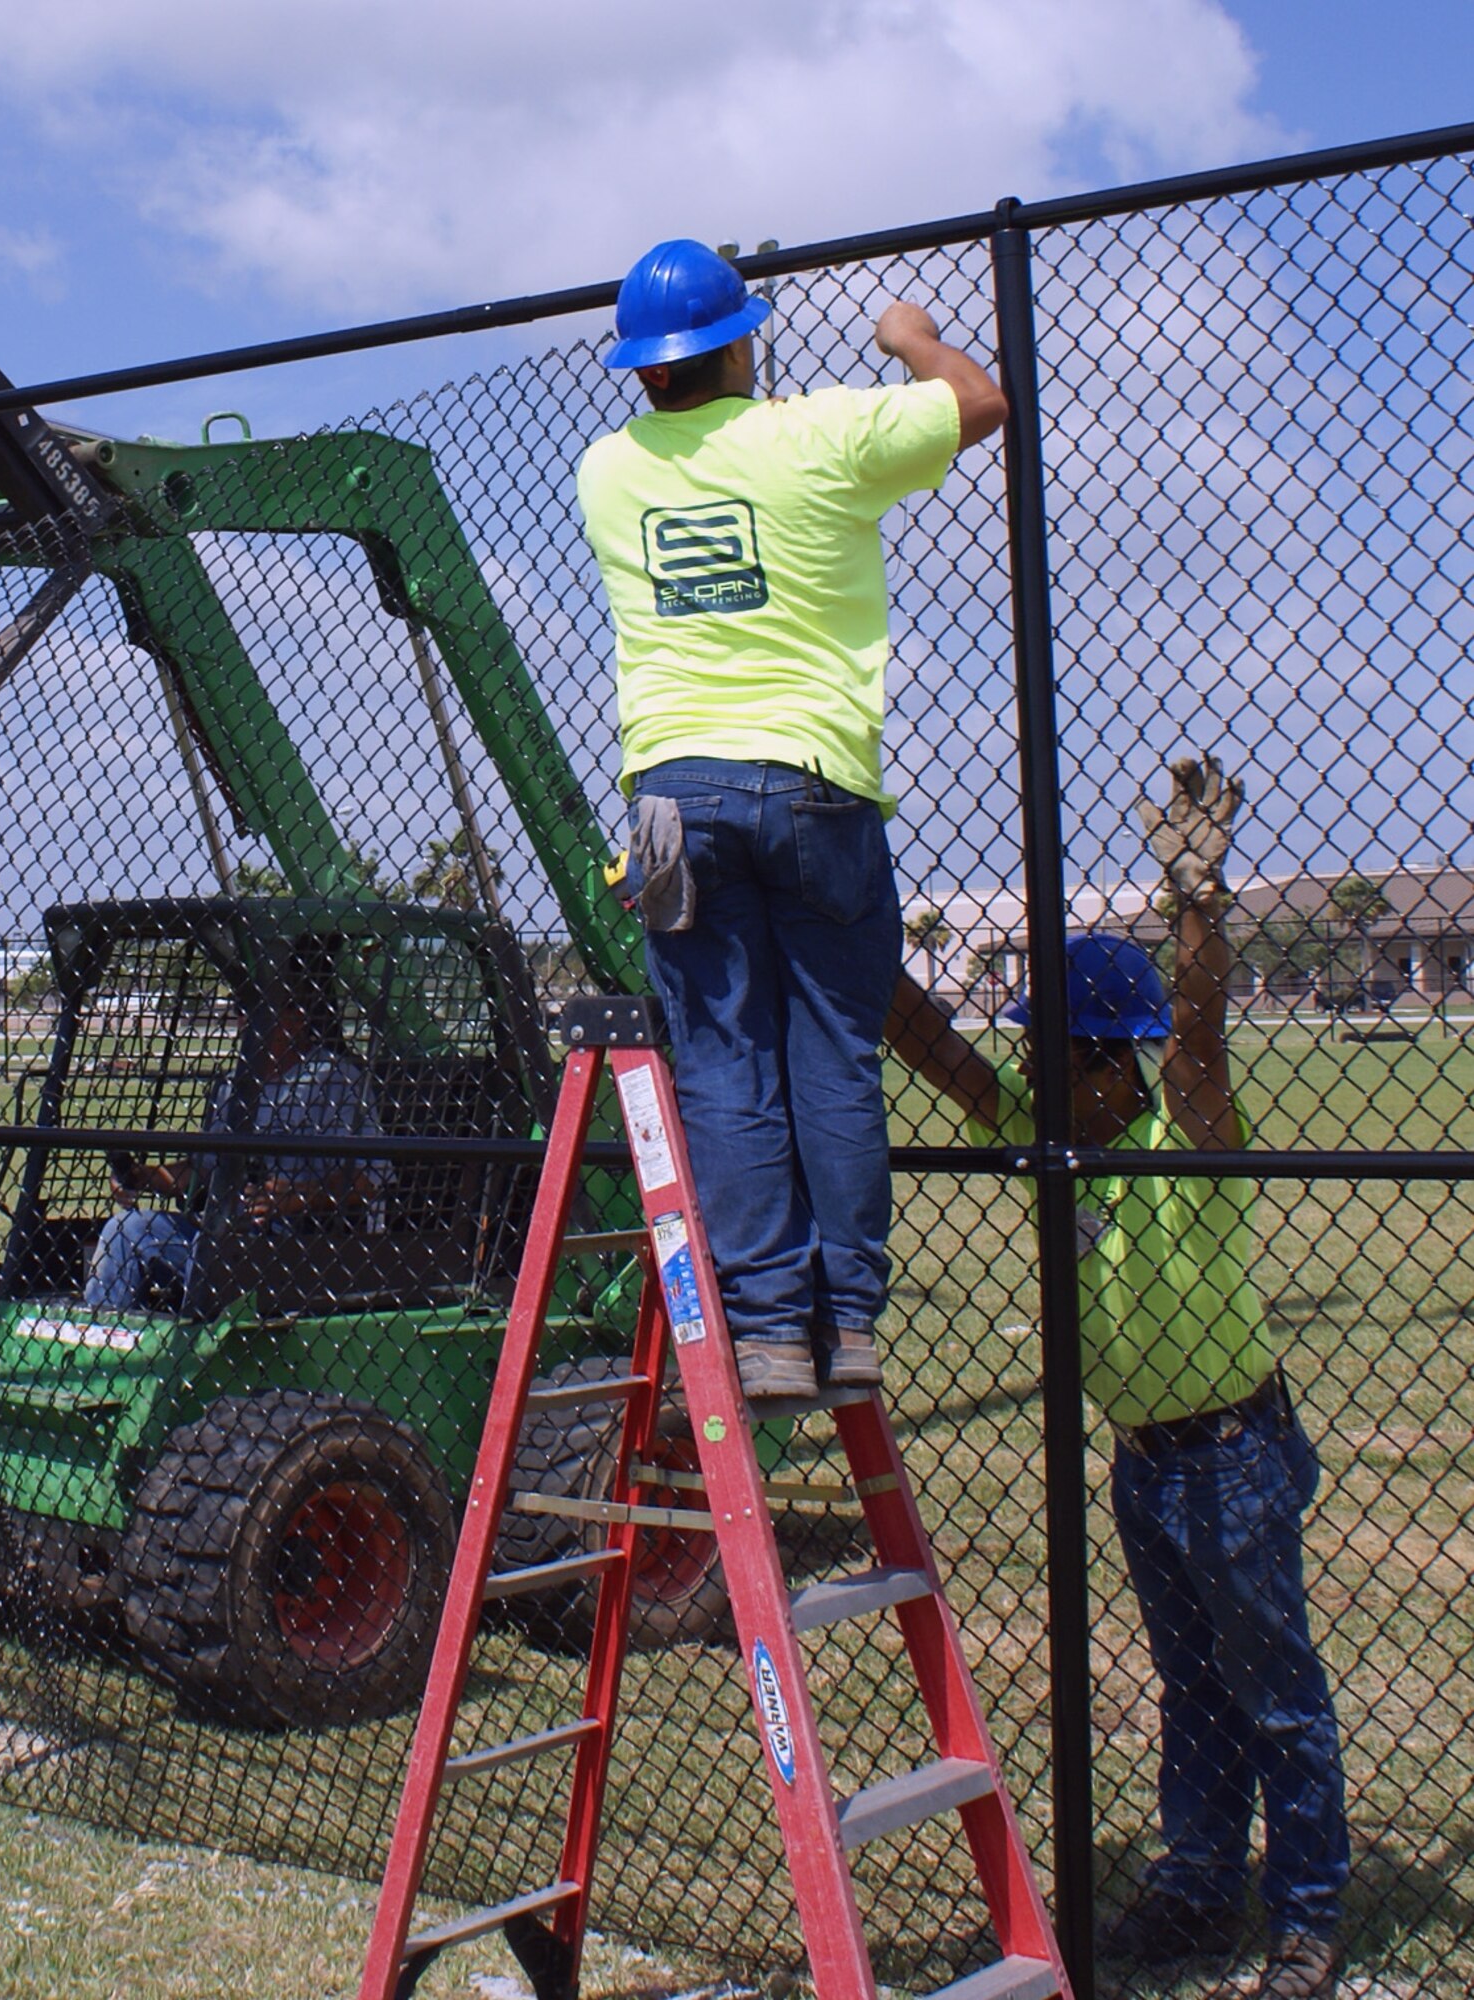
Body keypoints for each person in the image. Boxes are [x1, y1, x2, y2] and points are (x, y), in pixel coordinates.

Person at [883, 756, 1348, 2000]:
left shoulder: (1171, 1142)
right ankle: (1197, 1887)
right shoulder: (1054, 1141)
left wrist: (1192, 897)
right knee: (1192, 1692)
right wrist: (840, 918)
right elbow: (934, 1050)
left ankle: (1305, 1914)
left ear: (1110, 1065)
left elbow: (1196, 1037)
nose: (1033, 1083)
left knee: (1276, 1695)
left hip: (1232, 1454)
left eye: (1058, 1062)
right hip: (1145, 1462)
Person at [574, 237, 1008, 1406]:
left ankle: (764, 1328)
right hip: (813, 777)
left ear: (642, 369)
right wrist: (909, 334)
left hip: (668, 794)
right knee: (832, 1051)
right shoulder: (816, 437)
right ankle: (848, 1320)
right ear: (739, 343)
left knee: (720, 1057)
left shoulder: (604, 472)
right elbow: (976, 402)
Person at [84, 976, 388, 1312]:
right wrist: (144, 1176)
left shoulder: (337, 1079)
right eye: (241, 1010)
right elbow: (202, 1169)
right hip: (226, 1232)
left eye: (258, 1010)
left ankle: (193, 1336)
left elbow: (370, 1180)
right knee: (124, 1228)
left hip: (300, 1241)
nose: (245, 1020)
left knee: (212, 1248)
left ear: (298, 1018)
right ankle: (108, 1335)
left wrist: (295, 1196)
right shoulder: (234, 1086)